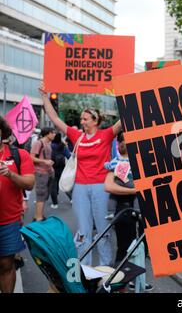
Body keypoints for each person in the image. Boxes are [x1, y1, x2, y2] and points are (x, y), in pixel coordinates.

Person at [39, 85, 122, 266]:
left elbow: (124, 119)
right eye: (81, 119)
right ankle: (84, 267)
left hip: (101, 186)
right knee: (83, 229)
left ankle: (105, 268)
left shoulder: (106, 135)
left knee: (102, 228)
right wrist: (45, 96)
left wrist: (131, 94)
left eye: (85, 119)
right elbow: (54, 118)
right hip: (80, 188)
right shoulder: (77, 135)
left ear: (95, 121)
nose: (82, 121)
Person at [103, 132, 152, 292]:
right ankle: (119, 284)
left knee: (142, 247)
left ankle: (135, 279)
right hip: (124, 208)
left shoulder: (143, 160)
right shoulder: (118, 163)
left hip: (143, 208)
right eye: (121, 142)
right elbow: (109, 186)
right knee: (124, 248)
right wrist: (135, 190)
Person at [0, 116, 35, 293]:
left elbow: (29, 183)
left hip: (8, 221)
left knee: (6, 264)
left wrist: (10, 175)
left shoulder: (19, 155)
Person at [30, 127, 56, 221]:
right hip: (40, 172)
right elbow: (31, 157)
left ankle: (38, 215)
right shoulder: (38, 143)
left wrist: (50, 167)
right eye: (52, 133)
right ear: (47, 133)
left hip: (48, 172)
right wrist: (45, 161)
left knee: (44, 195)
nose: (54, 134)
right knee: (41, 194)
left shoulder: (48, 143)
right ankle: (38, 218)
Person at [50, 133, 71, 209]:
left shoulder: (50, 145)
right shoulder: (63, 146)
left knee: (53, 185)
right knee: (64, 183)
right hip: (61, 167)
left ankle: (55, 203)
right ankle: (72, 199)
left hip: (52, 167)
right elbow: (69, 156)